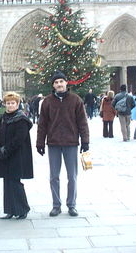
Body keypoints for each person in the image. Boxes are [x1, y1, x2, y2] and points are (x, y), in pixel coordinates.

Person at [37, 71, 89, 217]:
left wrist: (85, 141)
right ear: (53, 85)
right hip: (53, 143)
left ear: (66, 83)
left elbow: (82, 122)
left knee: (72, 176)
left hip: (71, 142)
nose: (59, 84)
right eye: (56, 82)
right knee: (54, 176)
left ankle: (71, 205)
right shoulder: (47, 101)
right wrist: (40, 142)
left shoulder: (76, 100)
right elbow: (42, 124)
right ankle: (56, 205)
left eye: (61, 81)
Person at [0, 92, 33, 219]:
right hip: (4, 155)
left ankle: (22, 209)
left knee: (15, 182)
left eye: (13, 103)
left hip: (17, 155)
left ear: (17, 104)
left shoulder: (21, 119)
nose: (10, 105)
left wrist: (6, 150)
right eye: (8, 103)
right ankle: (10, 210)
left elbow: (19, 139)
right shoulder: (4, 117)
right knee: (7, 182)